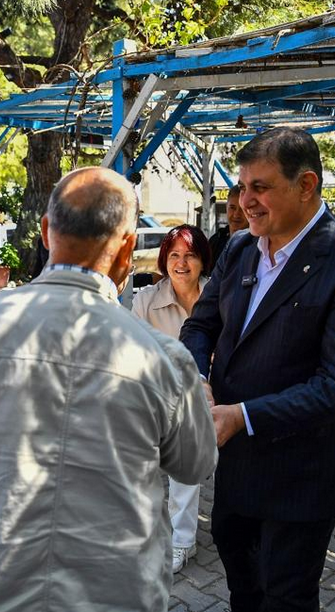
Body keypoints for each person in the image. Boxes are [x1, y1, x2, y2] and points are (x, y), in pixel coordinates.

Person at [0, 166, 217, 612]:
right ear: (126, 250)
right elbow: (195, 463)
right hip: (119, 593)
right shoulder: (163, 357)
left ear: (45, 232)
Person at [180, 128, 335, 612]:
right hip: (236, 464)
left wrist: (242, 416)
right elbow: (200, 326)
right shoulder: (240, 249)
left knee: (285, 598)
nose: (246, 200)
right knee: (243, 587)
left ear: (306, 186)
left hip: (303, 473)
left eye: (261, 187)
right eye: (242, 188)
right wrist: (197, 380)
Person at [131, 224, 211, 573]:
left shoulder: (218, 297)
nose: (181, 263)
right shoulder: (145, 300)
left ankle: (182, 540)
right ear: (164, 261)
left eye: (190, 255)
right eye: (174, 255)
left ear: (202, 261)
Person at [208, 186, 248, 272]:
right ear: (226, 207)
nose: (236, 214)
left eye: (242, 209)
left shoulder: (259, 244)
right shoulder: (216, 241)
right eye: (232, 208)